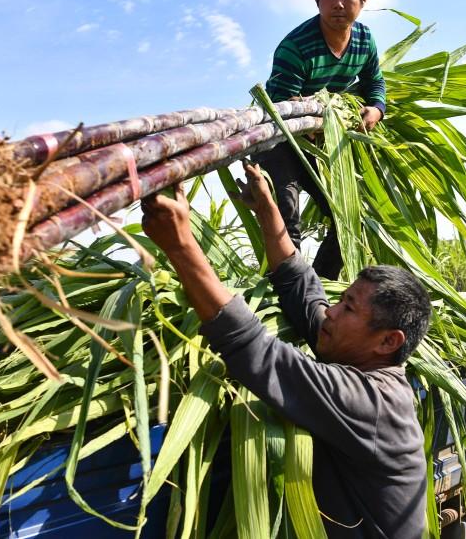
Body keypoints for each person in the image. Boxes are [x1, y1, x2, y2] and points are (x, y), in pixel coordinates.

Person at [141, 162, 431, 538]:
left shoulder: (371, 402)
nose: (332, 312)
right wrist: (266, 207)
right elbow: (302, 289)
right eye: (340, 300)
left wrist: (181, 245)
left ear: (388, 341)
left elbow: (257, 353)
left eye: (349, 308)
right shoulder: (355, 352)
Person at [255, 0, 387, 281]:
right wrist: (319, 119)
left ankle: (321, 288)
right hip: (279, 139)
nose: (338, 4)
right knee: (287, 224)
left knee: (349, 218)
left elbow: (375, 82)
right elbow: (286, 104)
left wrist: (376, 108)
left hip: (319, 140)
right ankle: (288, 297)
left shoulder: (364, 41)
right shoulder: (295, 47)